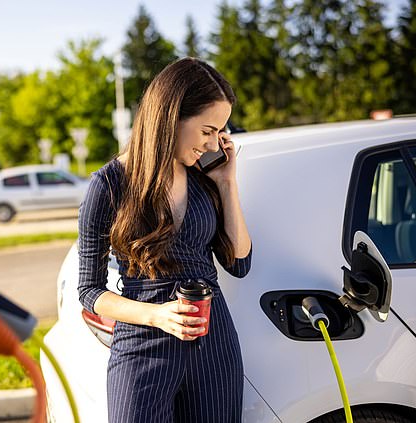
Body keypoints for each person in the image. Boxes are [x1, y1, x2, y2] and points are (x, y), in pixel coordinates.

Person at [78, 57, 252, 423]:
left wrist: (227, 182)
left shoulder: (205, 178)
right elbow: (90, 292)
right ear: (171, 115)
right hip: (142, 349)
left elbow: (239, 261)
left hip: (212, 344)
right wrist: (157, 315)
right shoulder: (108, 185)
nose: (211, 144)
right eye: (207, 130)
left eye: (220, 132)